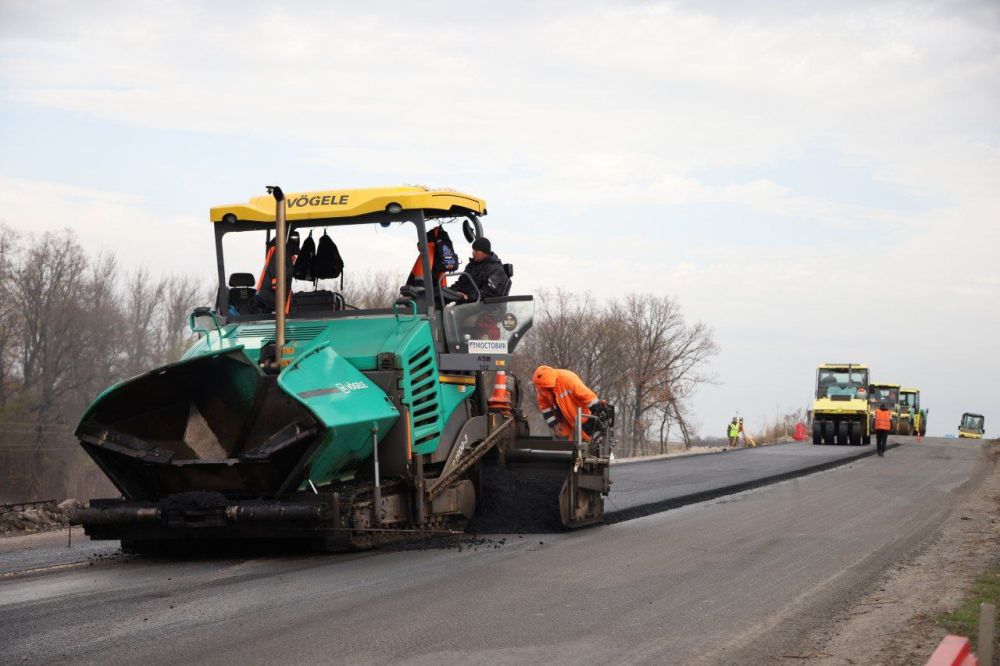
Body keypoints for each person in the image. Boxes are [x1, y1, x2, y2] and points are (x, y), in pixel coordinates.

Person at [532, 365, 607, 442]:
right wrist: (554, 424)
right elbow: (544, 408)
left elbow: (588, 397)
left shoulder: (568, 379)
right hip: (564, 422)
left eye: (545, 386)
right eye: (540, 386)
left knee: (586, 444)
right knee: (564, 446)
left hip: (583, 418)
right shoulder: (541, 387)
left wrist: (597, 413)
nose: (541, 388)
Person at [451, 237, 509, 301]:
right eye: (473, 250)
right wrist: (450, 292)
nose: (473, 252)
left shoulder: (496, 269)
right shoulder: (471, 266)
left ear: (485, 252)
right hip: (466, 304)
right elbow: (460, 284)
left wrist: (469, 297)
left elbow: (491, 291)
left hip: (484, 308)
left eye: (476, 250)